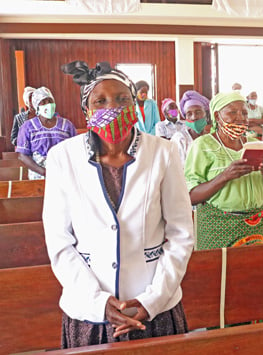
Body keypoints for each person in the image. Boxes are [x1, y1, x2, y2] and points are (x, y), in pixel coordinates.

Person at [48, 60, 194, 348]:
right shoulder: (62, 157)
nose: (111, 108)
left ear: (134, 104)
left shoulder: (163, 152)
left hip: (153, 307)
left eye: (121, 99)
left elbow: (181, 234)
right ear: (87, 110)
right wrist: (98, 301)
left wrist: (153, 298)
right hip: (90, 311)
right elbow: (59, 243)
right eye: (100, 101)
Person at [185, 91, 263, 250]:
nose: (240, 117)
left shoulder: (255, 144)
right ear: (217, 116)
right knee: (220, 273)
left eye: (244, 112)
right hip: (218, 227)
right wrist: (225, 176)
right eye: (232, 112)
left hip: (257, 225)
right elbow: (190, 197)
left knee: (257, 271)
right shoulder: (203, 146)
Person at [15, 86, 77, 180]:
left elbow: (74, 150)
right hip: (38, 176)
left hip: (63, 173)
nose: (48, 104)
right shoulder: (27, 127)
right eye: (43, 102)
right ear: (37, 106)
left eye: (50, 101)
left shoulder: (66, 125)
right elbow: (22, 155)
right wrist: (43, 171)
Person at [170, 90, 211, 165]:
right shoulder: (180, 139)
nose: (194, 117)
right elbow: (177, 168)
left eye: (198, 112)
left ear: (206, 115)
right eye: (189, 114)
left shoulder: (211, 137)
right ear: (185, 118)